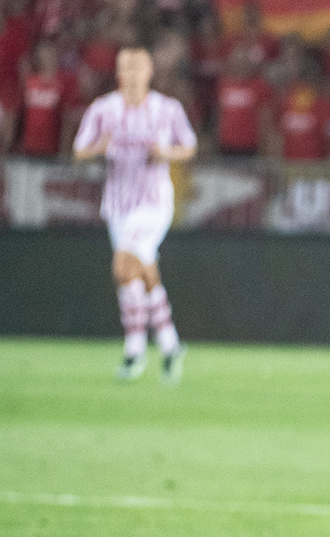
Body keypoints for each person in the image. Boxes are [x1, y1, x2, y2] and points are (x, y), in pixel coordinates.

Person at [72, 44, 197, 384]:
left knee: (123, 266)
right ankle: (169, 344)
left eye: (137, 67)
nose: (131, 74)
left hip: (153, 203)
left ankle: (134, 350)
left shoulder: (166, 109)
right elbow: (78, 151)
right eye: (125, 67)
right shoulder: (103, 109)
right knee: (140, 274)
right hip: (117, 205)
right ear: (117, 73)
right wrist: (97, 149)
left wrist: (165, 153)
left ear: (149, 72)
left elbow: (189, 146)